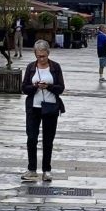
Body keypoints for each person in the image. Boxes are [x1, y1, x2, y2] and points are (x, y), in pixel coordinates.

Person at [23, 38, 66, 180]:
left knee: (48, 140)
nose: (41, 59)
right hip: (33, 107)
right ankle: (32, 169)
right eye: (38, 56)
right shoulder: (30, 68)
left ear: (48, 53)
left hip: (50, 107)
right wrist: (35, 86)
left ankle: (46, 170)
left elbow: (61, 88)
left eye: (44, 56)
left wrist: (49, 86)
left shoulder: (55, 67)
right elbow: (24, 88)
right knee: (31, 138)